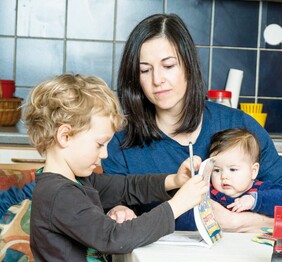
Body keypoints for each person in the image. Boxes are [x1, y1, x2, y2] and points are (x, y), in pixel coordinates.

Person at [102, 13, 282, 232]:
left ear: (188, 66)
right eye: (145, 70)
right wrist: (117, 211)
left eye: (169, 66)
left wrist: (238, 222)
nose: (157, 80)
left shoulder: (239, 127)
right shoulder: (120, 143)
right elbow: (113, 216)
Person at [24, 73, 207, 261]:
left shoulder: (77, 182)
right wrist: (177, 206)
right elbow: (114, 238)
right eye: (99, 144)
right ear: (65, 136)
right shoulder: (59, 194)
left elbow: (127, 187)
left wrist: (174, 180)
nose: (104, 154)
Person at [208, 128, 282, 217]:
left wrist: (254, 200)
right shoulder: (209, 193)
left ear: (253, 171)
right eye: (217, 170)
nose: (224, 176)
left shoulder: (261, 189)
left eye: (233, 169)